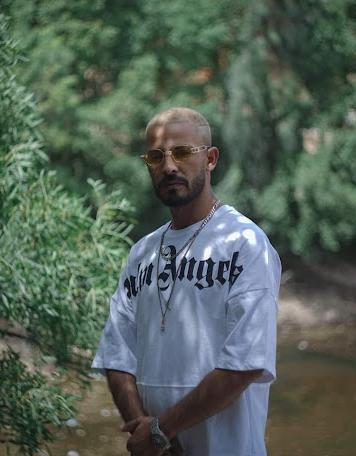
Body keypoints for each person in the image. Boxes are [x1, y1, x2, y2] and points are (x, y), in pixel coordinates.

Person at [92, 107, 281, 456]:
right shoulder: (141, 253)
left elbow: (246, 362)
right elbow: (117, 355)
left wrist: (161, 430)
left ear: (210, 159)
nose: (168, 166)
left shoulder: (245, 243)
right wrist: (151, 439)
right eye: (155, 156)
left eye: (181, 152)